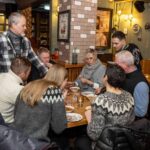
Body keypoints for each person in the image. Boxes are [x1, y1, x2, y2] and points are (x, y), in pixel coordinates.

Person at [75, 64, 135, 150]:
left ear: (106, 78)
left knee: (79, 141)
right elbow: (131, 121)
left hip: (104, 146)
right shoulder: (129, 96)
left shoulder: (101, 101)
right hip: (124, 144)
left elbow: (93, 135)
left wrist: (89, 118)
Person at [13, 64, 68, 147]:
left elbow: (16, 112)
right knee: (64, 139)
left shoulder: (30, 85)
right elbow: (59, 128)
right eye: (66, 80)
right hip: (36, 143)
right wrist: (61, 102)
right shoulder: (54, 91)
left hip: (16, 139)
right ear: (63, 80)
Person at [0, 12, 47, 76]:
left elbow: (35, 59)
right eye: (23, 25)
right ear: (13, 25)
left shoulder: (26, 41)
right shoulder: (1, 39)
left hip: (22, 82)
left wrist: (47, 73)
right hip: (5, 82)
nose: (25, 28)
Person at [115, 50, 149, 119]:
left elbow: (140, 112)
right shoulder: (125, 75)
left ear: (126, 65)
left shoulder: (140, 85)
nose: (116, 67)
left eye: (117, 65)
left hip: (135, 125)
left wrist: (116, 106)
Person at [0, 57, 31, 125]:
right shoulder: (17, 89)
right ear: (23, 74)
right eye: (29, 73)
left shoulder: (1, 75)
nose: (29, 75)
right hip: (6, 124)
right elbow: (31, 107)